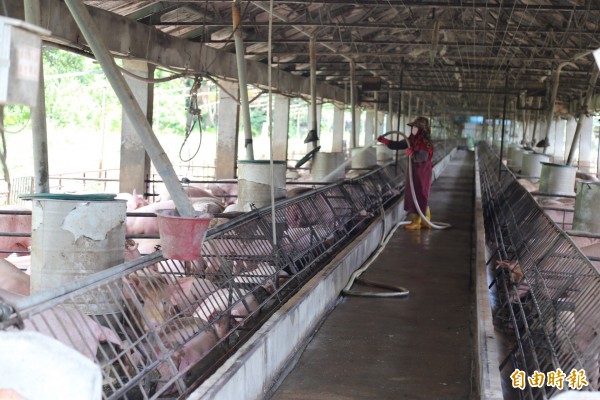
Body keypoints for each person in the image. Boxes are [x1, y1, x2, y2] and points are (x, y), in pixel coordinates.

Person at [377, 116, 434, 230]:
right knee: (413, 194)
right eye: (413, 127)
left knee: (420, 194)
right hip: (413, 170)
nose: (413, 129)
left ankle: (419, 221)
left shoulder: (425, 142)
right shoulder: (412, 139)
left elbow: (423, 156)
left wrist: (413, 154)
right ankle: (423, 219)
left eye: (415, 127)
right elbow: (399, 145)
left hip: (422, 172)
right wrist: (386, 141)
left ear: (421, 130)